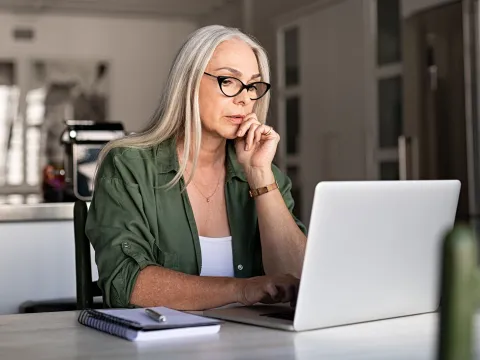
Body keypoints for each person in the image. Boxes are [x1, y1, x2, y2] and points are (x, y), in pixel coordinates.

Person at [86, 25, 307, 311]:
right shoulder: (129, 166)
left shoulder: (266, 174)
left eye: (253, 86)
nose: (245, 98)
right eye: (228, 80)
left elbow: (301, 281)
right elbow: (126, 284)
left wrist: (259, 175)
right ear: (188, 82)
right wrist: (242, 289)